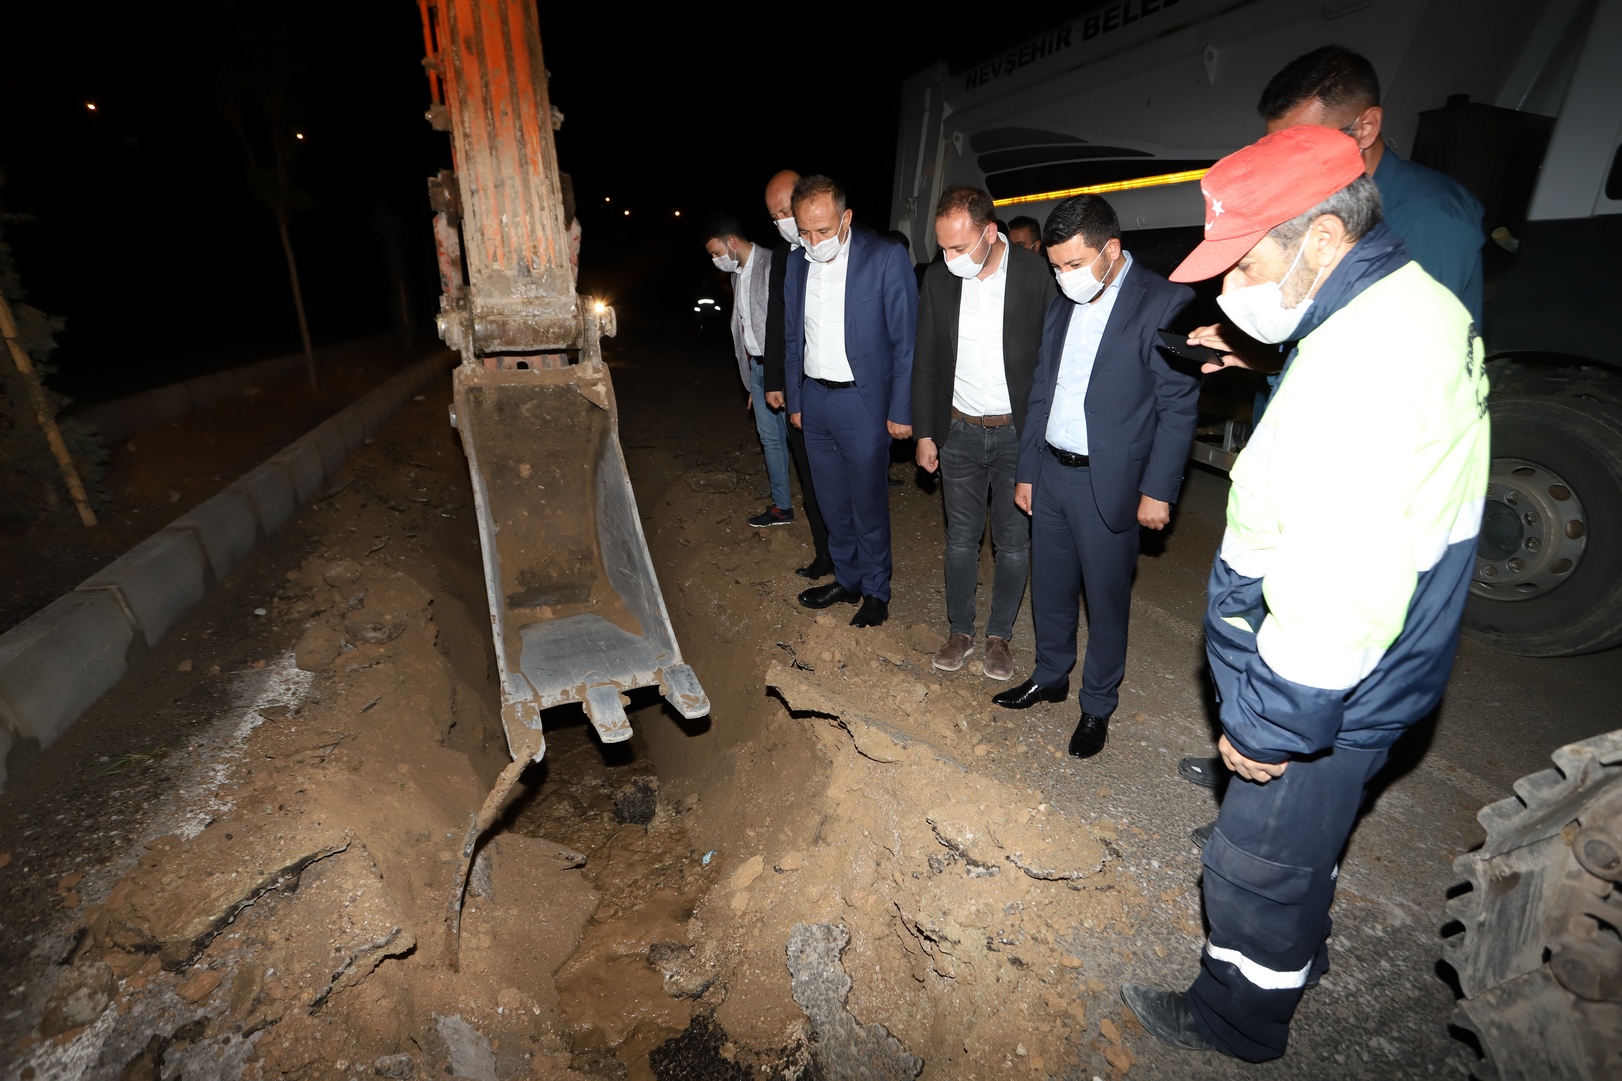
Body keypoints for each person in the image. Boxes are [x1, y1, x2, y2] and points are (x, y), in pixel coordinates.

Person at [1121, 125, 1490, 1063]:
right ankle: (1298, 952)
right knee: (1310, 841)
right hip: (1398, 653)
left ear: (1324, 238)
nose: (1228, 290)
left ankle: (1234, 1016)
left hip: (1331, 678)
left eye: (1245, 264)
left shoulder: (1361, 368)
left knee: (1255, 862)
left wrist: (1271, 723)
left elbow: (1338, 585)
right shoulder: (1415, 306)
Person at [1178, 42, 1488, 805]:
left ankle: (1277, 775)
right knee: (1285, 648)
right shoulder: (1334, 249)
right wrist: (1261, 354)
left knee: (1324, 676)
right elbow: (1330, 337)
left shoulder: (1430, 219)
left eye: (1300, 142)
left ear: (1365, 126)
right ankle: (1257, 762)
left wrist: (1274, 724)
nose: (1286, 161)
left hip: (1360, 501)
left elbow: (1389, 380)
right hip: (1320, 458)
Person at [992, 194, 1200, 759]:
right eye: (1056, 266)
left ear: (1111, 249)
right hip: (1051, 473)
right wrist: (1028, 469)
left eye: (1074, 264)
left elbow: (1178, 406)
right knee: (1051, 589)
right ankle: (1050, 675)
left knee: (1106, 603)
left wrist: (1158, 489)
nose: (1064, 277)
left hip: (1108, 482)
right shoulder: (1064, 299)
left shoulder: (1166, 301)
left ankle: (1097, 705)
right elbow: (1042, 388)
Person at [912, 185, 1055, 680]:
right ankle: (960, 631)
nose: (949, 258)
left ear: (989, 232)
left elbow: (1051, 360)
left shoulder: (1036, 274)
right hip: (959, 431)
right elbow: (926, 358)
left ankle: (999, 637)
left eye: (958, 247)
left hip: (1017, 433)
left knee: (1013, 544)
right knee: (961, 539)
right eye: (943, 247)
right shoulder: (939, 279)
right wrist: (925, 433)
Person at [783, 175, 918, 628]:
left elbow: (906, 341)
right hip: (815, 399)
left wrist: (901, 409)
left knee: (868, 503)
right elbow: (792, 337)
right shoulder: (797, 262)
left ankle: (876, 590)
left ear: (846, 218)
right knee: (831, 501)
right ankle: (848, 579)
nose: (813, 241)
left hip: (864, 402)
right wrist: (797, 398)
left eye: (822, 230)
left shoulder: (884, 257)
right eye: (804, 231)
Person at [761, 169, 834, 577]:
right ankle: (825, 554)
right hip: (799, 386)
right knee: (809, 476)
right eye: (775, 217)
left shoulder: (843, 250)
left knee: (843, 479)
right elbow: (777, 323)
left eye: (786, 212)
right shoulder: (783, 258)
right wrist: (775, 381)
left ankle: (855, 560)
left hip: (841, 387)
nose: (783, 222)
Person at [704, 214, 792, 528]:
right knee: (770, 440)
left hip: (781, 369)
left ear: (731, 242)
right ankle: (782, 507)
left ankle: (824, 507)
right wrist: (753, 381)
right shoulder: (737, 275)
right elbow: (744, 328)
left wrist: (778, 378)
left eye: (716, 253)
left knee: (800, 438)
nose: (716, 260)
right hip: (757, 369)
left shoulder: (772, 264)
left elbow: (784, 325)